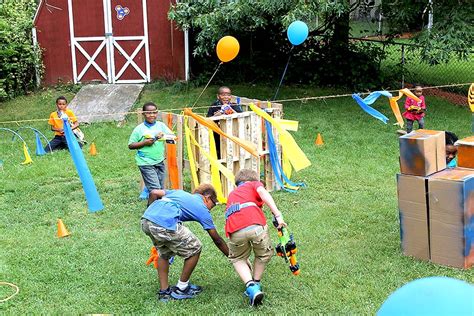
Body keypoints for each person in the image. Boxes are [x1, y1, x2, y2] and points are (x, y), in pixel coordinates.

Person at [141, 184, 230, 302]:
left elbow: (154, 193)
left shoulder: (179, 193)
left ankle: (164, 292)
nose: (211, 208)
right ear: (207, 197)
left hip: (146, 220)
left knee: (164, 252)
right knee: (195, 248)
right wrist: (233, 256)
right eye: (213, 204)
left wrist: (152, 212)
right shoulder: (202, 208)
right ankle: (181, 288)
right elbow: (217, 239)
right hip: (163, 223)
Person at [224, 169, 286, 306]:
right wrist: (277, 215)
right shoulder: (254, 184)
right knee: (263, 254)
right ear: (253, 181)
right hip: (255, 225)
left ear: (237, 184)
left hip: (234, 230)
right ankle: (256, 282)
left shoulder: (232, 194)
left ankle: (251, 287)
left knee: (238, 258)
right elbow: (263, 193)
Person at [128, 102, 175, 191]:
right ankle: (154, 204)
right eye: (148, 113)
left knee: (160, 189)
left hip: (159, 161)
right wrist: (144, 143)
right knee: (155, 189)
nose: (152, 115)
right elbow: (130, 145)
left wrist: (165, 136)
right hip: (145, 162)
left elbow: (172, 138)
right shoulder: (139, 129)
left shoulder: (161, 125)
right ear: (143, 114)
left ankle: (156, 203)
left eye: (154, 112)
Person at [206, 86, 243, 157]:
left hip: (232, 134)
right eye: (223, 95)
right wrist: (217, 115)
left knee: (232, 152)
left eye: (228, 95)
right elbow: (208, 120)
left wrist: (232, 111)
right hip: (217, 135)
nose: (226, 97)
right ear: (218, 96)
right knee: (219, 153)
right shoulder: (214, 106)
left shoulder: (234, 106)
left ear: (231, 97)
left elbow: (241, 117)